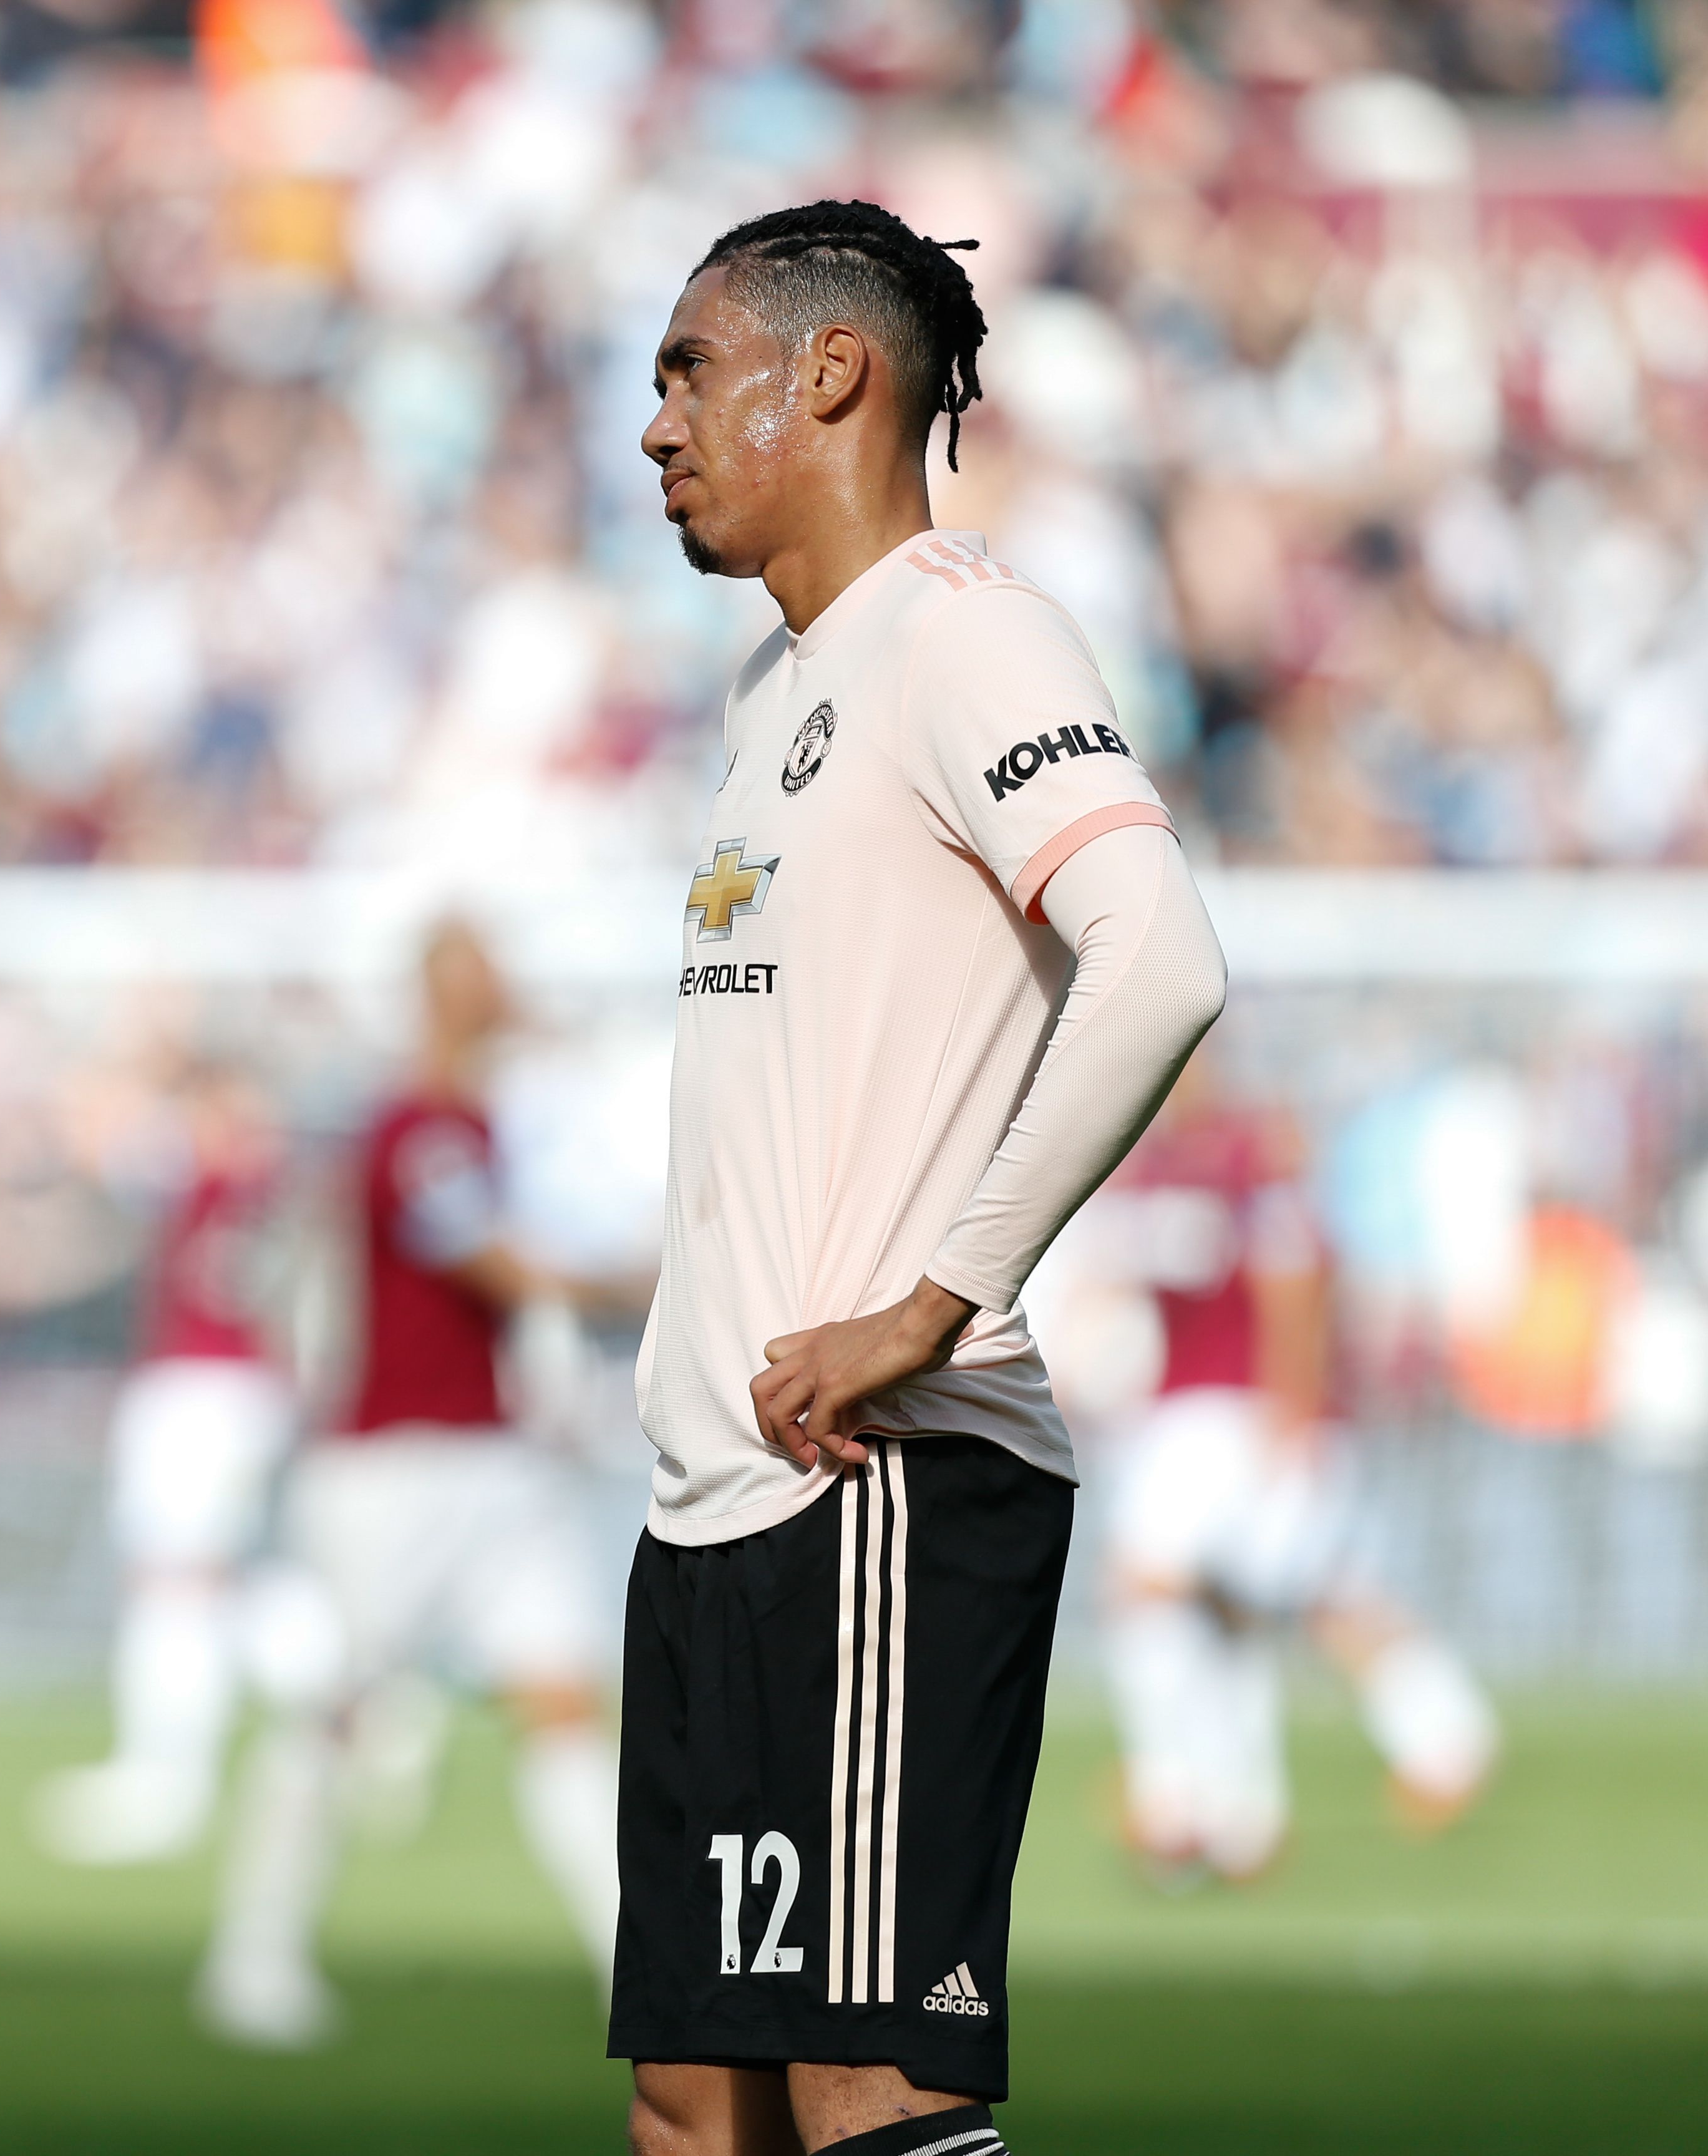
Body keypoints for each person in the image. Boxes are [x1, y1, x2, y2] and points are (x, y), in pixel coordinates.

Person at [615, 202, 1229, 2156]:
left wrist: (932, 1298)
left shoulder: (969, 634)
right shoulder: (773, 691)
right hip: (715, 1498)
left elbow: (1165, 954)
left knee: (874, 2097)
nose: (657, 428)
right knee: (701, 2113)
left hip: (881, 1485)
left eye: (688, 370)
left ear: (833, 373)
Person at [196, 918, 626, 2049]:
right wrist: (664, 1275)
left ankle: (637, 1963)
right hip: (396, 1462)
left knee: (564, 1701)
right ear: (444, 992)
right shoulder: (416, 1129)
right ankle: (254, 1958)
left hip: (490, 1455)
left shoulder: (467, 1123)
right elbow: (495, 1264)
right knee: (344, 1706)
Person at [1100, 1061, 1498, 1885]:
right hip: (1189, 1415)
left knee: (1173, 1588)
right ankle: (1243, 1808)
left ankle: (1181, 1791)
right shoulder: (1147, 1166)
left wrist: (1295, 1413)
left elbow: (1299, 1286)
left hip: (1236, 1416)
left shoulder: (1252, 1162)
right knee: (1261, 1600)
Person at [34, 1055, 298, 1866]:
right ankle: (358, 1703)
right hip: (239, 1393)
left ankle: (170, 1778)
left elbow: (87, 1124)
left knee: (176, 1580)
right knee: (216, 1578)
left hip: (202, 1393)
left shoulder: (208, 1184)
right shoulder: (268, 1192)